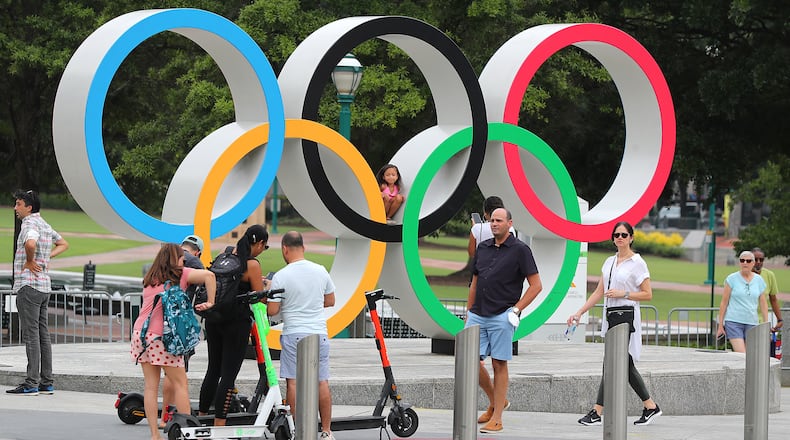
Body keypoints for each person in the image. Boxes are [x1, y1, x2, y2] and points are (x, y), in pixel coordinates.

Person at [569, 221, 662, 427]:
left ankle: (597, 411)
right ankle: (650, 406)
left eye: (623, 235)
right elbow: (598, 292)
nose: (619, 238)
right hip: (611, 315)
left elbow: (648, 294)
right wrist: (579, 312)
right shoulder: (609, 262)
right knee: (619, 363)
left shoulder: (637, 262)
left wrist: (624, 293)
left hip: (627, 316)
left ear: (631, 238)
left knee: (615, 362)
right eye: (616, 235)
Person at [466, 208, 542, 433]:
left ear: (510, 223)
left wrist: (516, 310)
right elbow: (475, 282)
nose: (494, 224)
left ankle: (497, 417)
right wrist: (469, 313)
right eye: (491, 220)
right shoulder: (483, 247)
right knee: (469, 362)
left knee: (499, 364)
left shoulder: (521, 250)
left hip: (502, 315)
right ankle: (495, 401)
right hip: (477, 314)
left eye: (499, 220)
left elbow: (536, 285)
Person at [130, 243, 216, 440]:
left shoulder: (151, 277)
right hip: (164, 337)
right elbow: (209, 276)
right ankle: (188, 433)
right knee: (180, 384)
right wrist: (211, 301)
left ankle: (154, 434)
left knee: (150, 387)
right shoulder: (180, 274)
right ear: (173, 260)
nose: (183, 261)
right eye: (180, 258)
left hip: (140, 335)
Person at [198, 224, 269, 428]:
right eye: (264, 247)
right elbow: (259, 300)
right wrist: (265, 286)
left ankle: (202, 417)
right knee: (228, 375)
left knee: (213, 370)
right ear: (260, 243)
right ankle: (219, 423)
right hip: (236, 324)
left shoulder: (225, 253)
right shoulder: (252, 264)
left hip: (214, 319)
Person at [268, 231, 336, 440]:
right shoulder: (321, 270)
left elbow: (272, 310)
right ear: (303, 248)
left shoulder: (281, 275)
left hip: (293, 333)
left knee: (293, 383)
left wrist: (267, 293)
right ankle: (325, 430)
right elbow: (330, 301)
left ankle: (295, 429)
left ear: (285, 249)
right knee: (321, 381)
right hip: (318, 332)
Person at [6, 190, 69, 396]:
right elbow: (63, 243)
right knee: (43, 335)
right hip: (44, 286)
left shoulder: (29, 224)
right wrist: (47, 257)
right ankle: (46, 382)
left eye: (18, 204)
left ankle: (31, 383)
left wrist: (31, 260)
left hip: (29, 285)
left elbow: (30, 243)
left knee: (31, 335)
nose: (15, 208)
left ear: (28, 207)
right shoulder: (44, 224)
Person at [158, 235, 206, 428]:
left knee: (166, 373)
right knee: (177, 374)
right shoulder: (195, 263)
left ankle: (163, 417)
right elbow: (207, 283)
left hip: (159, 322)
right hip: (178, 325)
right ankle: (174, 419)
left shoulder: (166, 258)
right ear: (198, 251)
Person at [717, 250, 769, 353]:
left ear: (753, 263)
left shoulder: (759, 280)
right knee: (741, 354)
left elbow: (763, 303)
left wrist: (766, 323)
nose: (745, 263)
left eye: (748, 261)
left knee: (750, 355)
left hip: (752, 322)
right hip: (733, 321)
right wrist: (720, 325)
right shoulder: (731, 279)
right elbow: (724, 302)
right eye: (742, 260)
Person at [752, 247, 783, 331]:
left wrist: (780, 319)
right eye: (755, 259)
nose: (758, 262)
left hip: (762, 320)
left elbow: (773, 299)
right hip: (745, 320)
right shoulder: (743, 275)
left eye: (761, 260)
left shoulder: (769, 275)